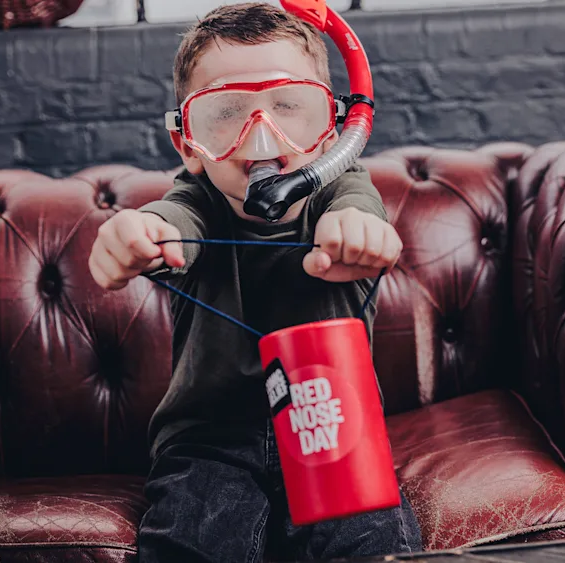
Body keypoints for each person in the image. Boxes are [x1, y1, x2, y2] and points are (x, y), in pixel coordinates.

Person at [88, 3, 422, 561]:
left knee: (372, 543)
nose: (260, 140)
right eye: (226, 114)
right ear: (188, 145)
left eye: (291, 107)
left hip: (333, 424)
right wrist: (135, 234)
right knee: (192, 543)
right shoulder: (195, 200)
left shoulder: (345, 191)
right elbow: (171, 220)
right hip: (209, 440)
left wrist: (362, 233)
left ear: (332, 132)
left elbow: (364, 216)